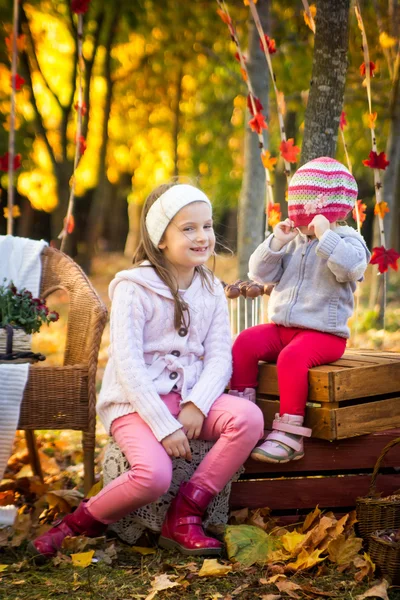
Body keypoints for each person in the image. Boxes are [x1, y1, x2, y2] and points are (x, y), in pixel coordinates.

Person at [29, 183, 264, 559]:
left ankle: (186, 514)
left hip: (188, 398)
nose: (202, 236)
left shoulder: (210, 289)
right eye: (188, 228)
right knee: (153, 477)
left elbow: (220, 358)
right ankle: (75, 526)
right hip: (136, 404)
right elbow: (128, 366)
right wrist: (164, 425)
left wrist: (198, 404)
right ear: (160, 238)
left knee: (248, 418)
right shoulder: (133, 288)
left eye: (207, 226)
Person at [230, 157, 370, 464]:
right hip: (283, 328)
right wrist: (277, 242)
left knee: (291, 358)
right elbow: (259, 274)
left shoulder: (350, 241)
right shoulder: (293, 241)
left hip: (325, 335)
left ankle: (291, 433)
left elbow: (351, 268)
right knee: (244, 343)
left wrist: (326, 237)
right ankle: (243, 412)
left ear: (329, 211)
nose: (302, 219)